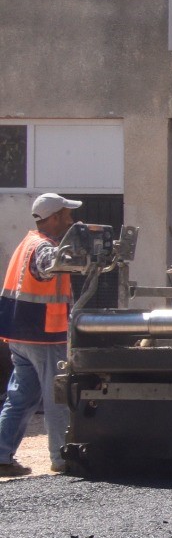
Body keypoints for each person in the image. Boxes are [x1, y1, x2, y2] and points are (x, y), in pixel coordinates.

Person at [0, 192, 83, 476]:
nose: (72, 220)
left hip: (19, 335)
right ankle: (61, 457)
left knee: (21, 398)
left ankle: (1, 454)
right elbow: (49, 266)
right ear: (56, 217)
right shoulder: (45, 248)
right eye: (68, 215)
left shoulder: (27, 243)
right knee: (56, 398)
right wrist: (80, 255)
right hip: (44, 335)